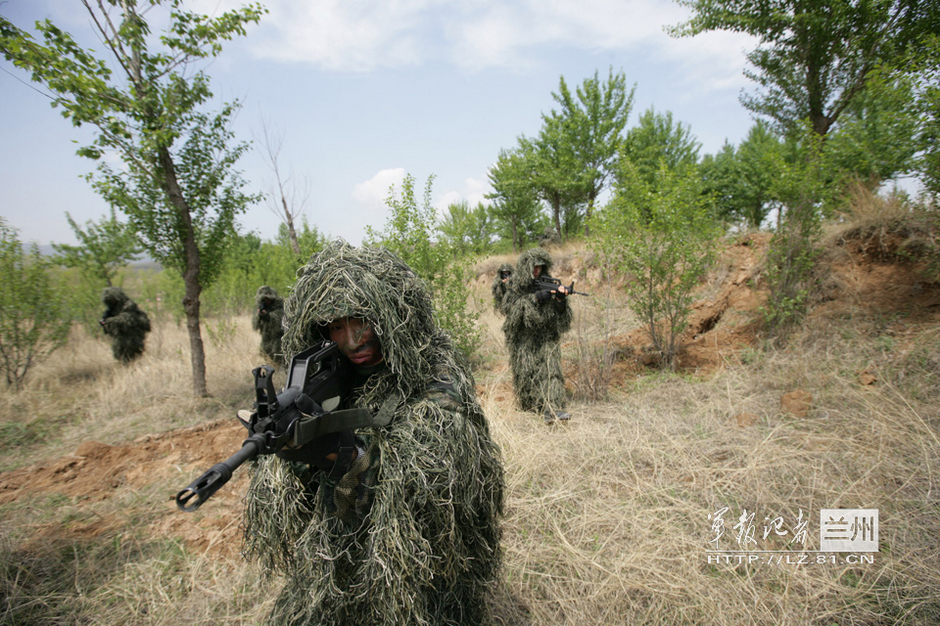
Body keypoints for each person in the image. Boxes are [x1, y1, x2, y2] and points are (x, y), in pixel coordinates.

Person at [242, 241, 505, 626]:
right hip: (338, 555)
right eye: (336, 326)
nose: (353, 340)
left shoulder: (434, 371)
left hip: (419, 568)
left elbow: (433, 479)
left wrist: (338, 452)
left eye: (362, 320)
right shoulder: (326, 378)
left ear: (393, 314)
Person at [502, 247, 572, 424]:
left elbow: (562, 321)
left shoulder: (549, 283)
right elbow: (510, 313)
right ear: (526, 267)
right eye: (534, 267)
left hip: (547, 337)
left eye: (540, 267)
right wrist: (534, 299)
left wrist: (559, 301)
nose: (537, 271)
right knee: (527, 375)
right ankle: (532, 406)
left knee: (551, 371)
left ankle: (553, 409)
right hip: (524, 340)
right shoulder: (515, 286)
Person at [99, 286, 151, 364]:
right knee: (120, 355)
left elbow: (128, 318)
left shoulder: (129, 305)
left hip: (132, 336)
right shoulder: (111, 309)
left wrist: (111, 321)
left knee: (133, 356)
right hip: (120, 337)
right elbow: (107, 318)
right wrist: (104, 322)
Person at [251, 285, 285, 366]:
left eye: (268, 299)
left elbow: (280, 320)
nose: (266, 301)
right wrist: (259, 316)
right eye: (264, 299)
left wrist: (268, 316)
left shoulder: (280, 305)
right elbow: (255, 326)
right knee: (267, 356)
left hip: (278, 338)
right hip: (266, 338)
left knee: (278, 356)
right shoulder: (261, 307)